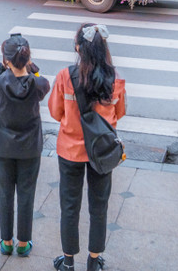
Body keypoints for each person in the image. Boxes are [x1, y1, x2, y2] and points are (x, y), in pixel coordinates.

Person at [48, 24, 126, 271]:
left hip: (69, 151)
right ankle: (94, 261)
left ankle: (68, 262)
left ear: (78, 48)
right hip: (101, 154)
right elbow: (120, 113)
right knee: (99, 206)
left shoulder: (65, 76)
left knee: (69, 206)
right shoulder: (115, 79)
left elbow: (54, 111)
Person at [0, 33, 50, 257]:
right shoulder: (39, 84)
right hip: (30, 147)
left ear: (6, 60)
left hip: (2, 147)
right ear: (28, 58)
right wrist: (33, 68)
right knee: (26, 193)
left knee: (4, 192)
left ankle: (6, 242)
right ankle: (23, 243)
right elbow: (42, 82)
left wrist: (3, 69)